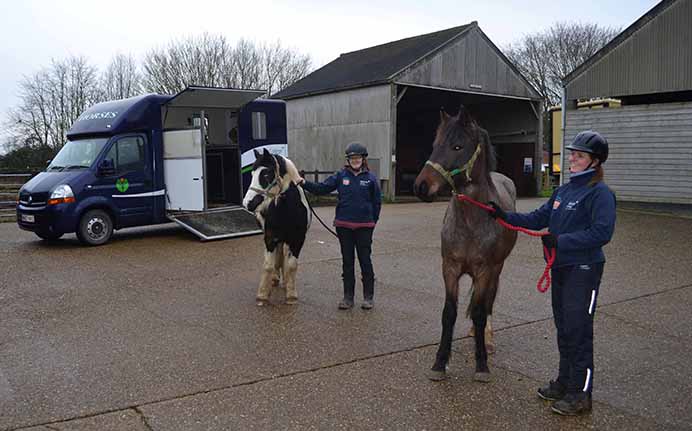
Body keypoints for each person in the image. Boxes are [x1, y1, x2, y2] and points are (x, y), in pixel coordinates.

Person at [489, 131, 616, 416]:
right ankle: (564, 382)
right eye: (572, 153)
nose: (572, 158)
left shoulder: (600, 193)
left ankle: (581, 394)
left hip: (583, 269)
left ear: (594, 162)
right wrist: (502, 215)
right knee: (564, 328)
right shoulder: (563, 191)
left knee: (579, 331)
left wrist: (562, 241)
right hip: (559, 267)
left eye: (579, 155)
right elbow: (537, 218)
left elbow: (602, 232)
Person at [300, 142, 382, 310]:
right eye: (352, 158)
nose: (355, 160)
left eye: (358, 157)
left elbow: (377, 203)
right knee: (347, 262)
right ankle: (348, 298)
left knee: (365, 261)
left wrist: (372, 222)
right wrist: (303, 183)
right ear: (348, 160)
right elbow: (321, 189)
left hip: (365, 226)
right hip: (344, 226)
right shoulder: (340, 176)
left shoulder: (371, 179)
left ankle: (368, 297)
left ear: (363, 159)